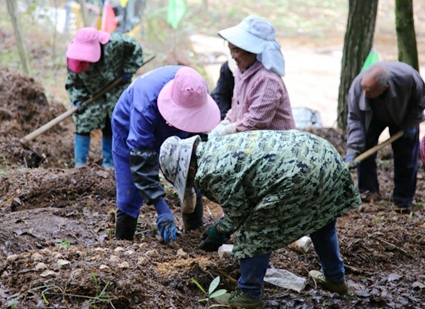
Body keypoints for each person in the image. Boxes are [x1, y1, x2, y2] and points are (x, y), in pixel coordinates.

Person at [159, 130, 361, 308]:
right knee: (321, 219)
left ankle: (248, 293)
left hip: (299, 174)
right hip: (323, 154)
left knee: (256, 228)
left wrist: (219, 231)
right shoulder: (216, 144)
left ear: (190, 170)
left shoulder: (208, 173)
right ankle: (335, 277)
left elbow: (240, 213)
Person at [111, 65, 220, 242]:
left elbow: (198, 143)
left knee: (192, 167)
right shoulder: (144, 105)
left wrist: (189, 185)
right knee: (129, 191)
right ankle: (123, 242)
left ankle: (194, 232)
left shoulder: (196, 90)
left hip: (182, 121)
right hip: (128, 126)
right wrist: (161, 208)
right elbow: (141, 159)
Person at [344, 62, 425, 211]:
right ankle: (368, 191)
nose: (364, 93)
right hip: (371, 116)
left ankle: (403, 201)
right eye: (364, 88)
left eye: (369, 90)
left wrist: (412, 122)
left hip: (403, 115)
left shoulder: (407, 78)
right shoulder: (358, 88)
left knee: (406, 155)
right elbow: (355, 121)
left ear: (384, 88)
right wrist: (352, 151)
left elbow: (420, 98)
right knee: (365, 151)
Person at [66, 27, 143, 168]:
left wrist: (128, 68)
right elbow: (74, 83)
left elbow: (135, 48)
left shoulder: (117, 42)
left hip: (115, 88)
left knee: (112, 123)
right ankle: (79, 164)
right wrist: (78, 99)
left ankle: (110, 165)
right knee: (83, 121)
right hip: (90, 93)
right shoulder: (74, 56)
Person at [209, 15, 296, 136]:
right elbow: (237, 108)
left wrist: (229, 130)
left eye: (236, 50)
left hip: (276, 146)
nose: (233, 56)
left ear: (252, 50)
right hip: (252, 142)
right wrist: (226, 122)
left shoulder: (267, 80)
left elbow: (256, 121)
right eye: (231, 50)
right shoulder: (241, 73)